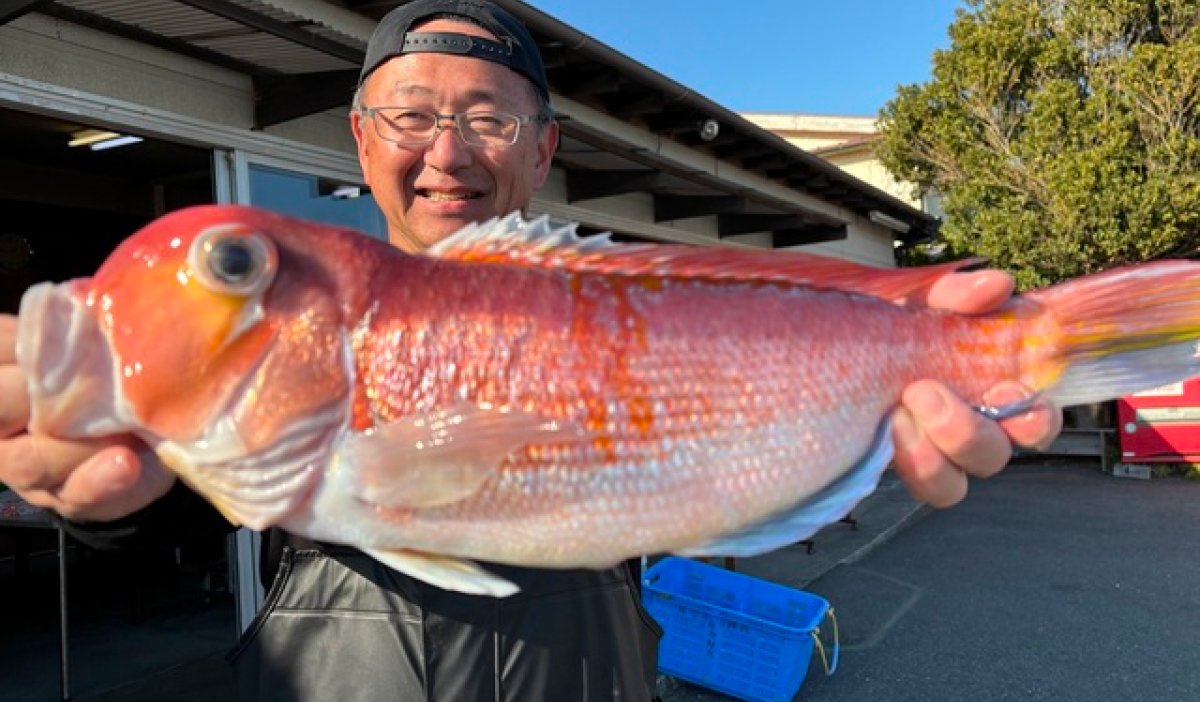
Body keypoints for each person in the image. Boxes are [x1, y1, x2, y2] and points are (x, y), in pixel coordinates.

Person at [0, 0, 1063, 700]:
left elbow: (741, 453)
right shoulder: (291, 344)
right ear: (362, 141)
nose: (447, 154)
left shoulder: (611, 292)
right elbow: (137, 505)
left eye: (489, 121)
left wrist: (907, 378)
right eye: (412, 116)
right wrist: (86, 505)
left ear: (545, 149)